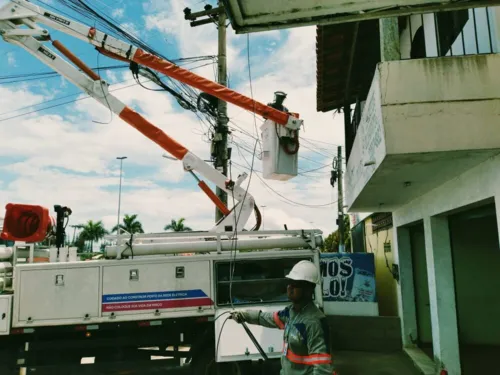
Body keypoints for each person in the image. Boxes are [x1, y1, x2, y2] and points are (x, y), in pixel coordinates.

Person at [230, 260, 337, 375]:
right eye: (289, 282)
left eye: (295, 284)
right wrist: (243, 315)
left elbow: (322, 369)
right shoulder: (290, 312)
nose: (290, 287)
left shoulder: (314, 322)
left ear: (308, 289)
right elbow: (265, 317)